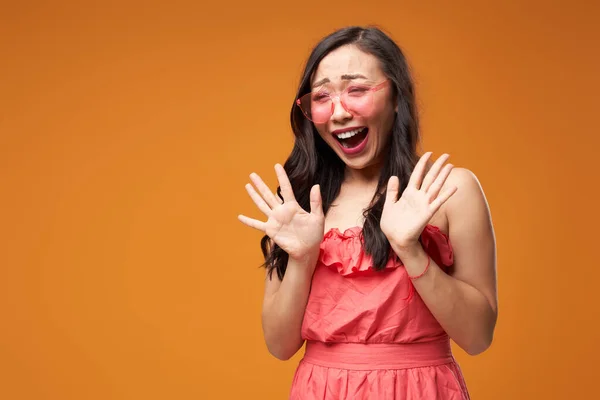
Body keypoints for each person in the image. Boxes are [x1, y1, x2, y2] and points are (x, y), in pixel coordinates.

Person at [238, 25, 497, 400]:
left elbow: (478, 337)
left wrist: (410, 250)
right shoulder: (302, 204)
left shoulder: (449, 191)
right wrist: (303, 258)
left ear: (397, 96)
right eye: (322, 96)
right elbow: (279, 346)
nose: (339, 112)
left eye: (356, 90)